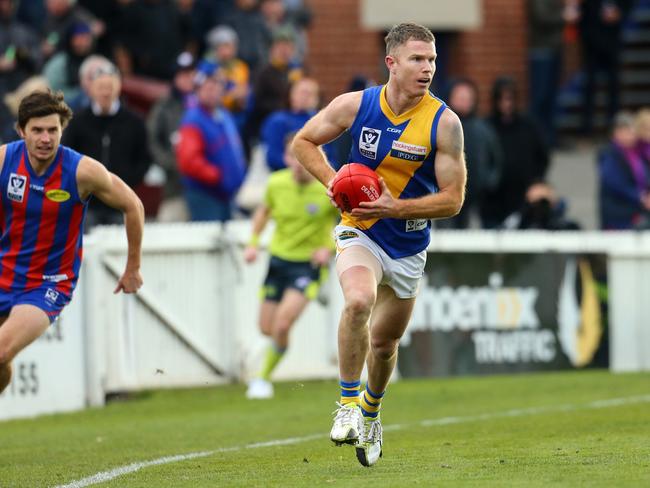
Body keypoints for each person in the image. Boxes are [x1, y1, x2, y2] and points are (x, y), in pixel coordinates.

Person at [291, 22, 466, 467]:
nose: (427, 68)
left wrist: (395, 209)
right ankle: (348, 402)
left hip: (407, 245)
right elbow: (304, 141)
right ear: (391, 62)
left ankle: (371, 412)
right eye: (416, 59)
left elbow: (454, 200)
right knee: (357, 302)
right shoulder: (356, 105)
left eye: (431, 60)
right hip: (360, 231)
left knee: (385, 346)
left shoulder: (444, 123)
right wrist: (335, 182)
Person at [0, 89, 144, 394]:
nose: (45, 138)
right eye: (37, 130)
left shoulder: (83, 171)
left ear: (62, 130)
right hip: (4, 273)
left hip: (47, 284)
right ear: (21, 130)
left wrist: (133, 266)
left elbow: (134, 205)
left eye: (53, 130)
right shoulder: (3, 161)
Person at [244, 133, 338, 399]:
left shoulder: (328, 188)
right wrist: (253, 243)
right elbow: (263, 212)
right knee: (266, 328)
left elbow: (348, 221)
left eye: (303, 157)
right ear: (286, 158)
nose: (297, 163)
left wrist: (328, 249)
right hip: (278, 260)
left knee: (282, 326)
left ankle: (262, 380)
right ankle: (317, 293)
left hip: (308, 265)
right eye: (292, 157)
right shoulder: (276, 183)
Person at [62, 61, 151, 228]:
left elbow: (144, 159)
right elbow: (67, 157)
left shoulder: (134, 122)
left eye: (110, 86)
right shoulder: (77, 122)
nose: (105, 92)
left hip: (121, 201)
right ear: (91, 89)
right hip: (86, 203)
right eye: (101, 87)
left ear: (118, 88)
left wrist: (128, 182)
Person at [175, 61, 247, 222]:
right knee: (208, 239)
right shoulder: (193, 118)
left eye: (217, 87)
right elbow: (188, 161)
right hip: (205, 195)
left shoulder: (223, 116)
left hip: (227, 195)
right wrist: (218, 176)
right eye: (208, 87)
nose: (213, 92)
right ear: (198, 90)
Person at [483, 76, 549, 228]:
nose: (507, 104)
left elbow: (542, 157)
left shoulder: (529, 127)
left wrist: (537, 181)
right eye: (502, 99)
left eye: (510, 99)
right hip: (493, 199)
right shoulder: (487, 128)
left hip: (523, 197)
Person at [441, 77, 503, 229]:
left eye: (467, 98)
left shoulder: (483, 129)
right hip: (444, 197)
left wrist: (489, 183)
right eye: (460, 97)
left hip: (476, 198)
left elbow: (496, 159)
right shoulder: (440, 126)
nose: (464, 102)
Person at [147, 51, 196, 222]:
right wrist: (170, 164)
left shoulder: (202, 103)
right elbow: (152, 140)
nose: (188, 79)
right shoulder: (164, 106)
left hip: (203, 187)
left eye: (191, 74)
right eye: (183, 75)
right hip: (174, 185)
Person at [598, 111, 650, 230]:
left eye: (632, 132)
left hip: (638, 208)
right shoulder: (609, 154)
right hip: (620, 212)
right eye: (627, 132)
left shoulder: (638, 152)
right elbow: (615, 183)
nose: (631, 136)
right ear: (616, 133)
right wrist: (641, 197)